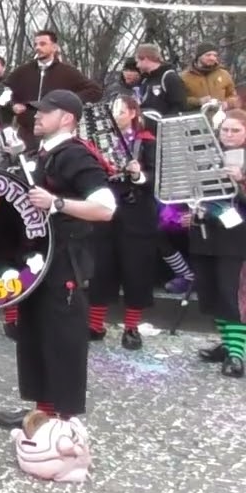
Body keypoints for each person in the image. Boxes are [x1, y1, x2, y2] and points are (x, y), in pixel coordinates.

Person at [0, 90, 115, 429]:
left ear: (67, 118)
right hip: (39, 259)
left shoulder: (75, 154)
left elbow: (105, 208)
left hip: (65, 259)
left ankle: (63, 419)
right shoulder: (42, 152)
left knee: (62, 338)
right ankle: (41, 412)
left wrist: (57, 203)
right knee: (35, 335)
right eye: (37, 110)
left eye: (46, 111)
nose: (37, 116)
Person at [88, 96, 157, 350]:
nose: (115, 114)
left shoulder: (148, 142)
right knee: (101, 267)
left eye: (120, 110)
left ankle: (131, 328)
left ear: (132, 113)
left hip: (137, 214)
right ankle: (95, 325)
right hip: (107, 209)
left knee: (136, 269)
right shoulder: (98, 143)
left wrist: (139, 175)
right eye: (113, 110)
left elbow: (158, 179)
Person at [186, 109, 246, 378]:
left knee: (231, 295)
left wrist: (241, 181)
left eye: (236, 130)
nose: (229, 135)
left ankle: (237, 354)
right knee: (212, 293)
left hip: (237, 237)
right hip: (206, 231)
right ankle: (228, 344)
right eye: (226, 130)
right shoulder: (208, 156)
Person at [2, 29, 103, 152]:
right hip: (26, 135)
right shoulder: (23, 71)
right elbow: (2, 91)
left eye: (43, 44)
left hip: (55, 137)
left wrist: (67, 102)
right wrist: (12, 105)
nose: (38, 47)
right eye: (36, 44)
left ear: (54, 47)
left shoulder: (68, 72)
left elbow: (95, 91)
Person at [181, 43, 238, 112]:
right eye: (208, 55)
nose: (212, 58)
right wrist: (198, 101)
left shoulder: (224, 74)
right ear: (198, 57)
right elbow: (179, 100)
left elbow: (233, 96)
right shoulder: (184, 77)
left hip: (222, 116)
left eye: (215, 55)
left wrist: (226, 103)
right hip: (198, 117)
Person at [134, 43, 186, 117]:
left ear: (145, 59)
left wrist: (164, 122)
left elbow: (179, 107)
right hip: (147, 125)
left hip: (166, 125)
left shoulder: (169, 77)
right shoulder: (145, 80)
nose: (137, 66)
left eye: (137, 61)